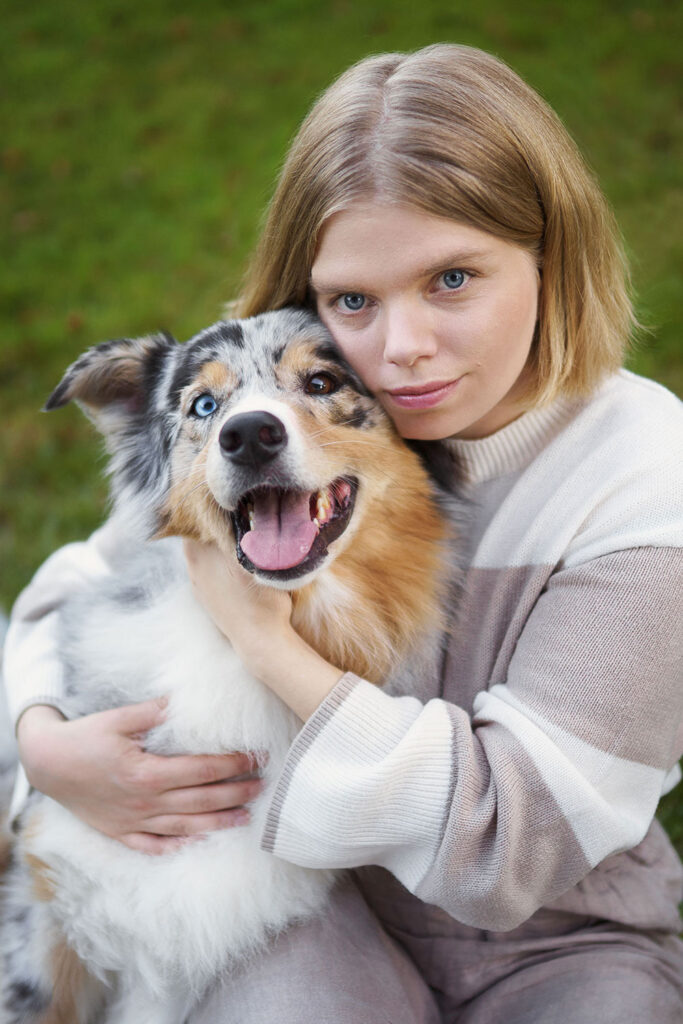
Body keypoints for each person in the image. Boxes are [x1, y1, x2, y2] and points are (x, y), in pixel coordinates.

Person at [4, 43, 682, 1023]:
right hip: (320, 902)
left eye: (453, 277)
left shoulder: (646, 480)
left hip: (556, 934)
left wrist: (260, 637)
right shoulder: (315, 399)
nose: (403, 347)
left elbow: (504, 855)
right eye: (353, 297)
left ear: (549, 249)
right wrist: (44, 748)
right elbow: (71, 586)